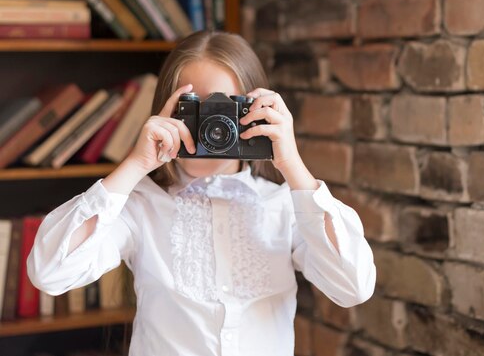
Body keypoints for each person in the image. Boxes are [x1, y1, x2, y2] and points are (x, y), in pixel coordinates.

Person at [27, 31, 376, 356]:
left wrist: (292, 165)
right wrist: (136, 164)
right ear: (165, 110)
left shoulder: (286, 205)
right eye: (196, 109)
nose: (213, 128)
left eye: (226, 110)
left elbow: (352, 287)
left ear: (257, 112)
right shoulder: (141, 205)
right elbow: (49, 272)